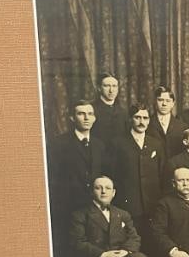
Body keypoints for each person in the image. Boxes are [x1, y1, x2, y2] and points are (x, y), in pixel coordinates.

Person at [47, 100, 106, 235]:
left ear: (94, 118)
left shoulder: (100, 145)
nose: (86, 118)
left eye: (90, 114)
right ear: (72, 118)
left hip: (93, 208)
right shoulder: (59, 144)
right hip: (68, 207)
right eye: (81, 114)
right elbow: (53, 179)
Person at [109, 103, 164, 234]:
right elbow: (112, 174)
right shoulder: (117, 143)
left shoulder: (156, 144)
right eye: (137, 117)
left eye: (145, 118)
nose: (141, 122)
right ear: (130, 119)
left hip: (152, 204)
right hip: (128, 204)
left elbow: (162, 174)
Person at [90, 72, 129, 149]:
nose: (111, 90)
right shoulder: (91, 109)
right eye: (107, 86)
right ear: (99, 88)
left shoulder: (123, 112)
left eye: (114, 86)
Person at [149, 85, 186, 158]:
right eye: (160, 100)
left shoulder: (182, 126)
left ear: (173, 103)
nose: (164, 104)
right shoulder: (147, 123)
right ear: (155, 102)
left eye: (168, 101)